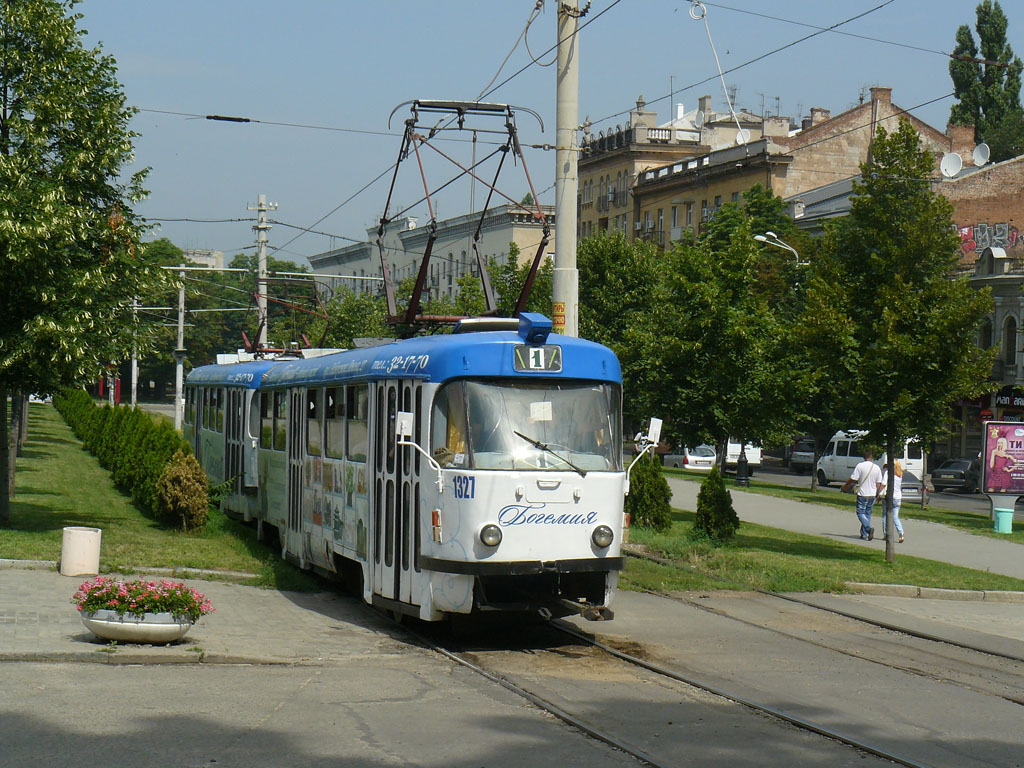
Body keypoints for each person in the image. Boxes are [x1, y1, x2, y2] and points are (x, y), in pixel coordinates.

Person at [841, 448, 883, 540]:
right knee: (868, 513)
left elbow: (853, 478)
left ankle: (868, 528)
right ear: (872, 457)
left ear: (864, 457)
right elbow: (879, 483)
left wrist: (846, 486)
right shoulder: (876, 468)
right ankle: (864, 534)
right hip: (872, 493)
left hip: (863, 493)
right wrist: (879, 494)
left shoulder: (860, 466)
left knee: (860, 512)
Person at [878, 459, 905, 544]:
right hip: (898, 497)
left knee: (885, 515)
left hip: (889, 496)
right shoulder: (900, 474)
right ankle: (901, 533)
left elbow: (883, 484)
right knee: (895, 517)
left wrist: (878, 493)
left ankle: (886, 534)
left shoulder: (888, 473)